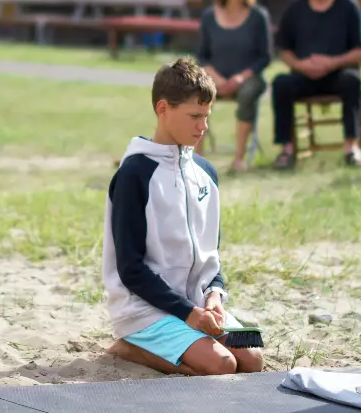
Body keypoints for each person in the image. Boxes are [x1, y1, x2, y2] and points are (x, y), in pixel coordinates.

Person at [103, 59, 265, 377]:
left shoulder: (206, 174)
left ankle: (193, 338)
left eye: (206, 117)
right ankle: (129, 347)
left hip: (197, 307)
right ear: (162, 108)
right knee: (221, 365)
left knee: (253, 359)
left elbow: (211, 258)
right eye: (194, 116)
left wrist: (214, 297)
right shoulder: (134, 173)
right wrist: (188, 314)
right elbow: (130, 269)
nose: (202, 126)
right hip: (144, 311)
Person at [270, 0, 361, 170]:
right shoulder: (295, 8)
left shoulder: (348, 6)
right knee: (280, 84)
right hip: (303, 76)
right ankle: (286, 150)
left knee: (353, 81)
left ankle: (351, 149)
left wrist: (332, 62)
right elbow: (283, 49)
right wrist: (300, 65)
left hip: (338, 75)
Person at [196, 0, 273, 174]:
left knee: (249, 93)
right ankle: (195, 158)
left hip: (248, 78)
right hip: (215, 77)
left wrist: (240, 78)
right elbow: (202, 56)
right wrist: (218, 80)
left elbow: (265, 57)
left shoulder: (259, 17)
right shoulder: (209, 17)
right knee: (194, 92)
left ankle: (239, 158)